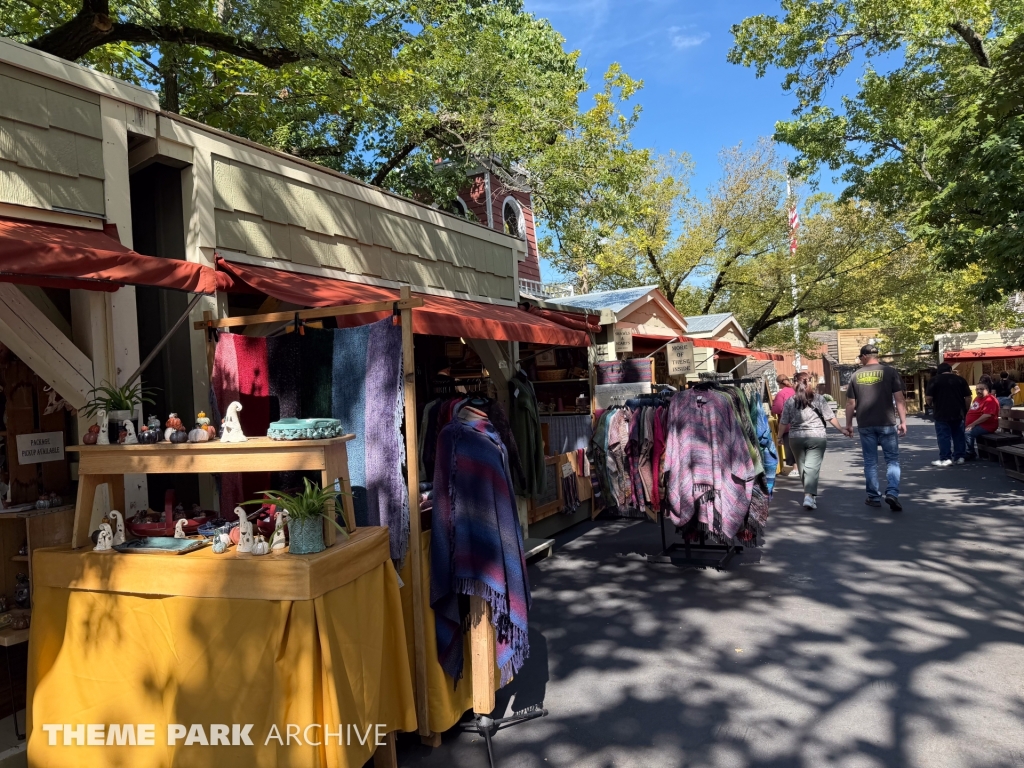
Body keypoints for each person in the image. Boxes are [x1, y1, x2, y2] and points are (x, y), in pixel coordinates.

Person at [845, 344, 907, 511]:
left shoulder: (856, 375)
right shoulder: (890, 372)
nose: (860, 360)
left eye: (860, 357)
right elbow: (899, 399)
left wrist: (849, 424)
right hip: (887, 423)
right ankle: (892, 493)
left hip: (866, 424)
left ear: (865, 356)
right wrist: (903, 421)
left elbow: (850, 403)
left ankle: (873, 497)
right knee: (892, 460)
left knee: (870, 462)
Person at [779, 371, 850, 510]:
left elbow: (783, 421)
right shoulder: (819, 399)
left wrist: (779, 437)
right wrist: (841, 429)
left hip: (796, 438)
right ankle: (808, 496)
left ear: (795, 383)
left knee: (802, 467)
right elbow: (830, 417)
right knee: (812, 467)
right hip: (816, 437)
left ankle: (809, 496)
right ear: (809, 383)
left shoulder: (790, 401)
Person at [925, 362, 972, 466]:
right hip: (958, 412)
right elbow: (968, 397)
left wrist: (930, 404)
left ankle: (946, 458)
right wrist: (965, 409)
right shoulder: (960, 380)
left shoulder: (934, 380)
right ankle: (960, 457)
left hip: (941, 412)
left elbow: (929, 398)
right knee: (959, 435)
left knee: (943, 436)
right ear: (950, 370)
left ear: (938, 371)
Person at [965, 379, 1000, 460]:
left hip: (986, 426)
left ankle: (970, 453)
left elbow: (987, 415)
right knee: (958, 430)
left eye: (981, 389)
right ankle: (961, 452)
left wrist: (972, 424)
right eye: (977, 389)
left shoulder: (990, 399)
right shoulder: (977, 398)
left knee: (968, 433)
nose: (979, 391)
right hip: (977, 424)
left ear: (987, 390)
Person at [772, 374, 797, 473]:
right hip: (800, 422)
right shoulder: (795, 391)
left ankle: (795, 468)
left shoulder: (781, 393)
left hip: (787, 424)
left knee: (790, 447)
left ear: (779, 383)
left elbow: (777, 409)